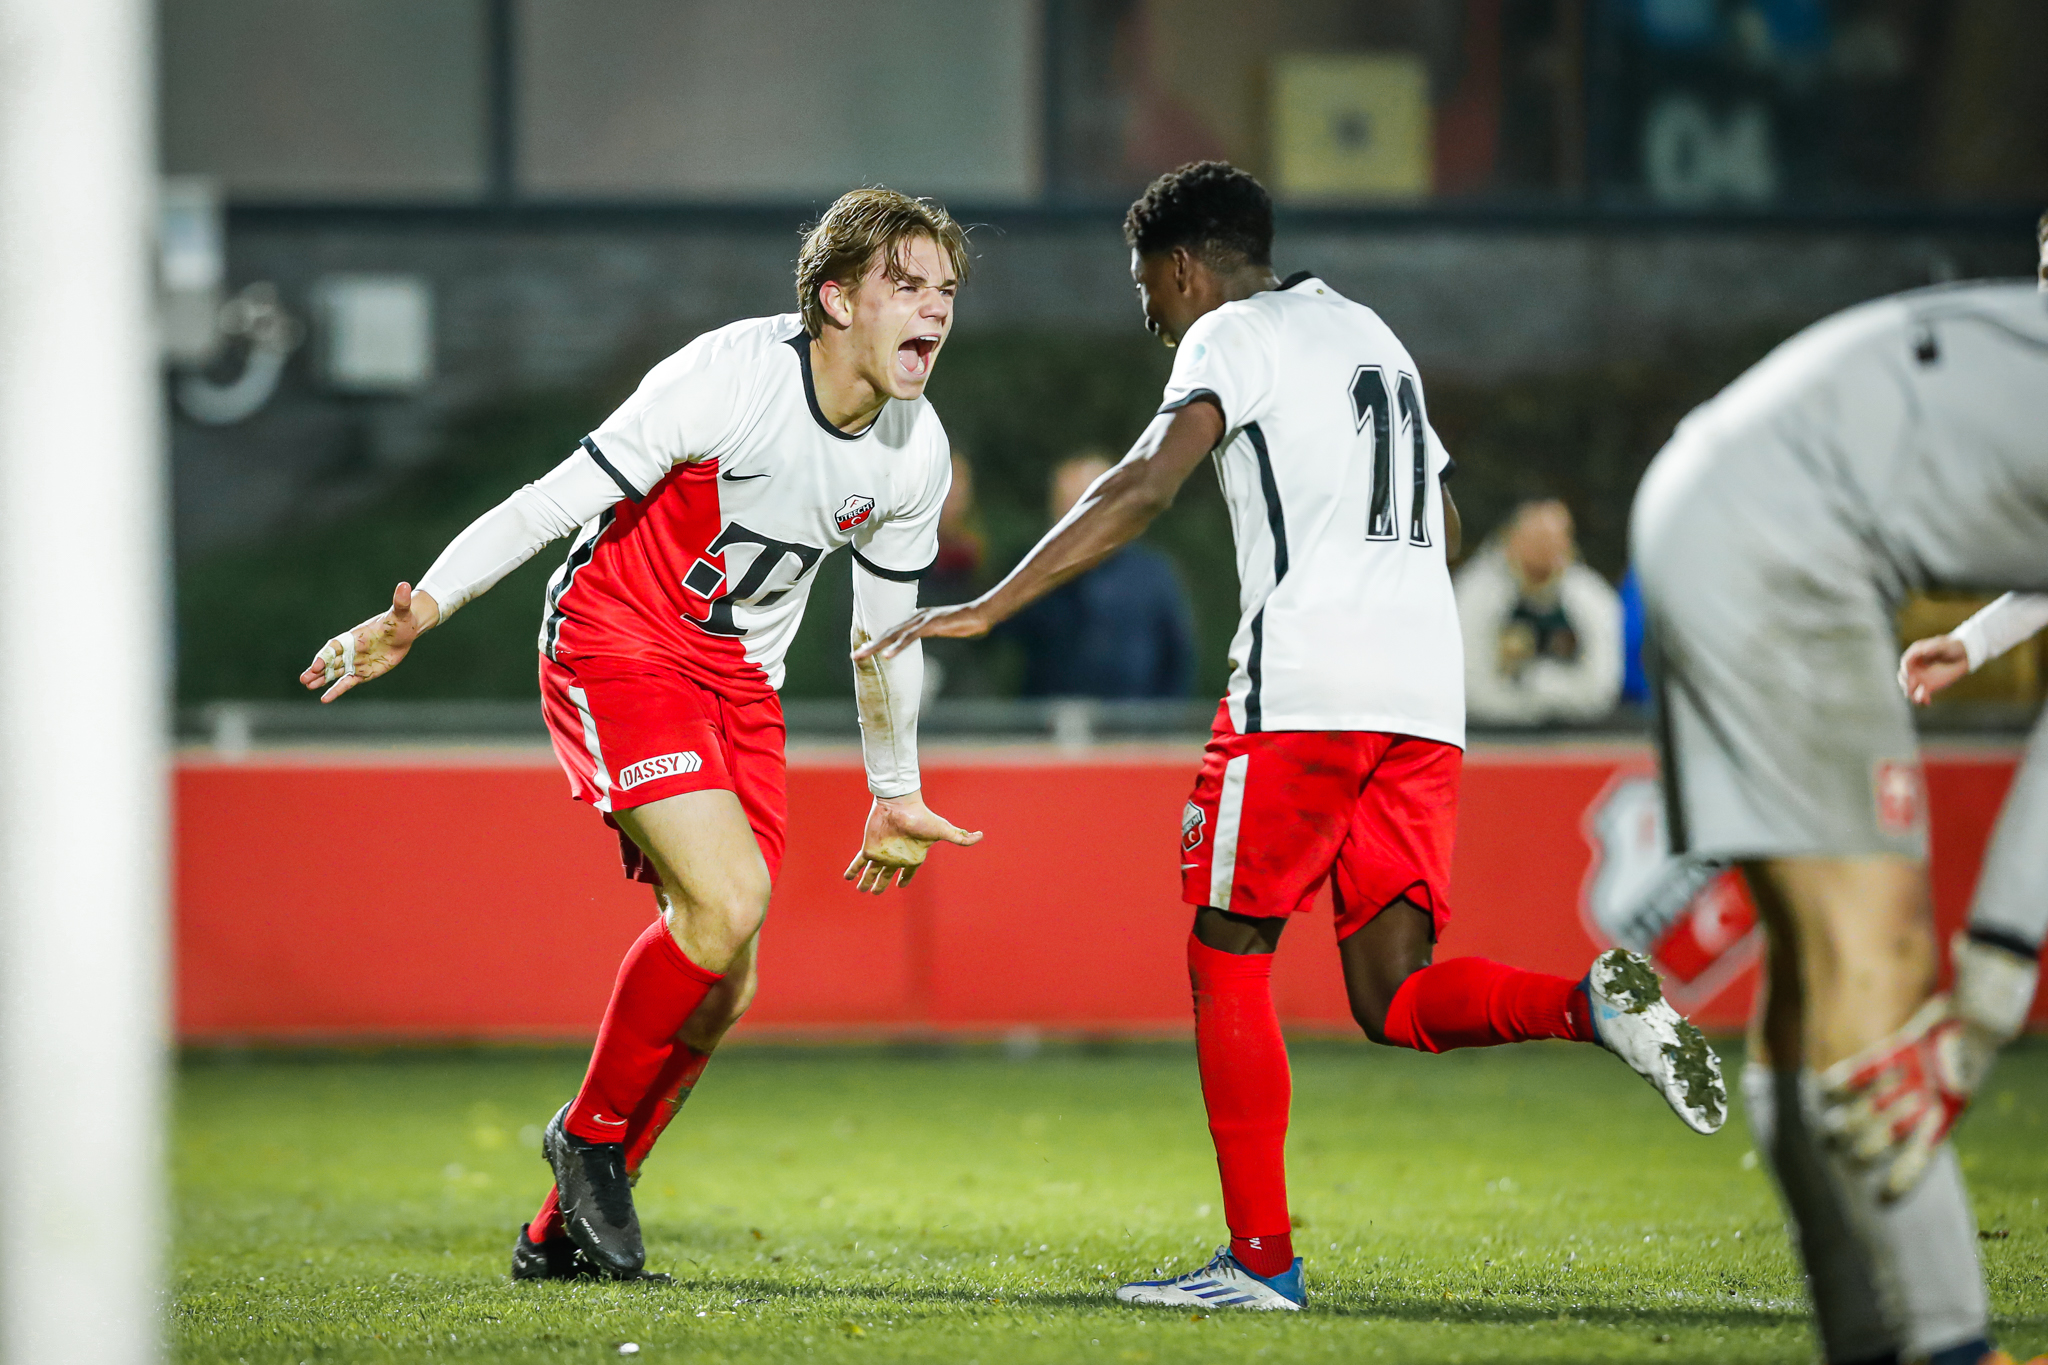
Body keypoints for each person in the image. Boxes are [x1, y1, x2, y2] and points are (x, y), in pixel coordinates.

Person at [859, 160, 1726, 1313]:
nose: (1148, 312)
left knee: (1226, 950)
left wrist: (988, 602)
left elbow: (1141, 484)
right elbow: (1444, 512)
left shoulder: (1224, 337)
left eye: (1144, 286)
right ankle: (1592, 1007)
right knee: (1393, 999)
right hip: (1422, 701)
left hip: (1306, 689)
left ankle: (1259, 1263)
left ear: (1180, 268)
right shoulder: (1374, 337)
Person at [299, 187, 984, 1282]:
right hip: (616, 640)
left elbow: (883, 638)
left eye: (946, 292)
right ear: (834, 298)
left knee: (727, 980)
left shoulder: (914, 451)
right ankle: (588, 1137)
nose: (935, 312)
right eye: (907, 285)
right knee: (727, 904)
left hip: (737, 682)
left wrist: (892, 787)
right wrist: (420, 610)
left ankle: (555, 1233)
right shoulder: (729, 376)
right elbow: (547, 501)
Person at [1631, 232, 2048, 1365]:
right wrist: (1996, 983)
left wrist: (1973, 634)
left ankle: (1871, 1341)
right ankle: (1947, 1347)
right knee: (1879, 964)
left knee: (1812, 969)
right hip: (1783, 545)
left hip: (1698, 499)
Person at [1006, 451, 1195, 698]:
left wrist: (1163, 725)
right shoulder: (1029, 574)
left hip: (1136, 726)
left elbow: (1178, 659)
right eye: (1068, 504)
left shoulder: (1152, 575)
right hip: (1052, 726)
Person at [1456, 497, 1623, 725]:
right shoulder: (1474, 594)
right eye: (1538, 539)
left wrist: (1546, 689)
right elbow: (1470, 689)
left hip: (1576, 736)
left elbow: (1601, 690)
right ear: (1511, 538)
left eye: (1557, 539)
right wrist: (1528, 706)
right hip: (1491, 738)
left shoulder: (1592, 598)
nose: (1548, 549)